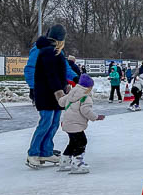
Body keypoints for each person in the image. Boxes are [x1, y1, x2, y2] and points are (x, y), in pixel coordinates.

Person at [27, 24, 69, 169]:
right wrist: (59, 92)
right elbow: (51, 75)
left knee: (54, 123)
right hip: (46, 94)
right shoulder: (47, 51)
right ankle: (33, 153)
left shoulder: (57, 52)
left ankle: (46, 151)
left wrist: (67, 86)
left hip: (56, 94)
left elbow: (60, 73)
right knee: (46, 122)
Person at [56, 73, 105, 174]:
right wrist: (96, 117)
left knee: (73, 142)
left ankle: (64, 162)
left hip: (67, 123)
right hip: (76, 125)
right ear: (88, 87)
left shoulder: (71, 93)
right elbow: (86, 111)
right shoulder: (86, 97)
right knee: (82, 142)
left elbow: (61, 102)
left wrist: (62, 94)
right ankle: (77, 163)